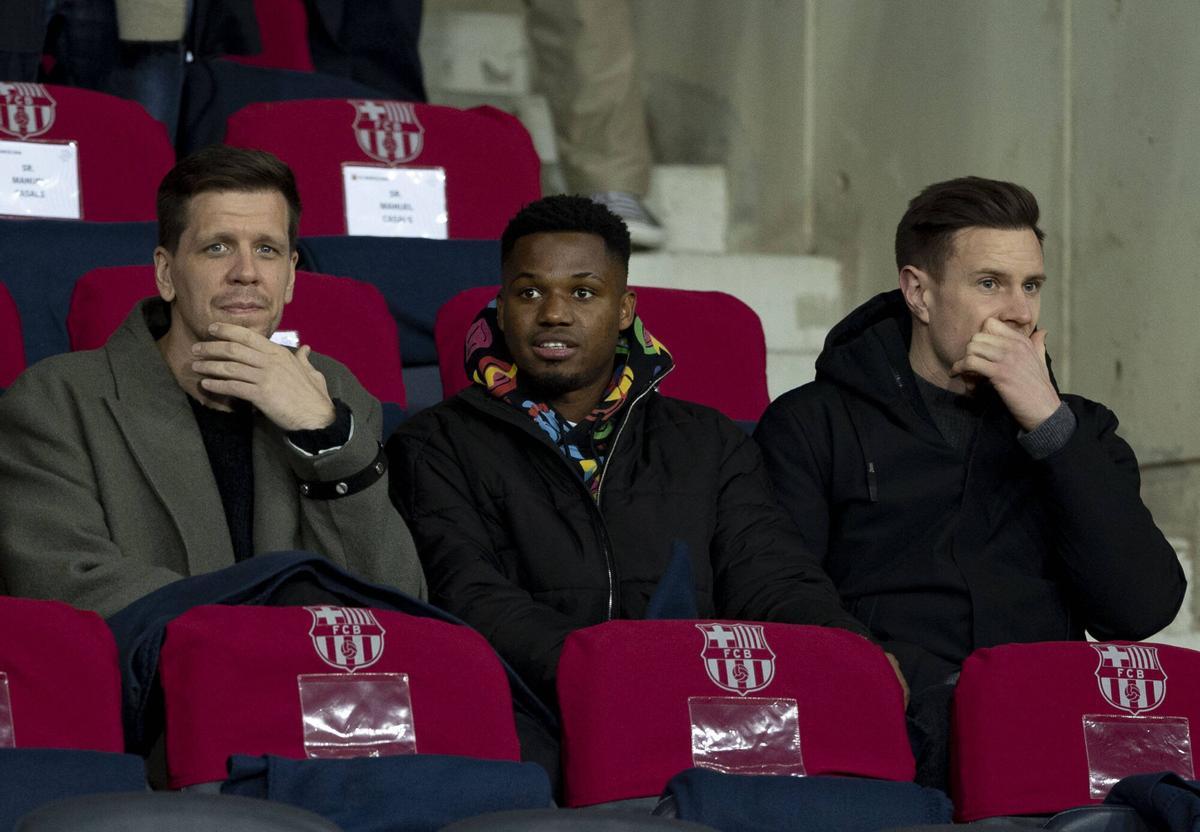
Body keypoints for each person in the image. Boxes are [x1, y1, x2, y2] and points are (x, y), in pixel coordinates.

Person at [387, 194, 898, 705]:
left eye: (584, 293)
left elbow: (771, 578)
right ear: (502, 310)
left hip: (699, 712)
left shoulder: (709, 442)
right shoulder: (435, 445)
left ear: (623, 308)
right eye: (529, 293)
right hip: (530, 713)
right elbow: (470, 598)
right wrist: (615, 675)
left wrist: (849, 646)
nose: (555, 313)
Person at [753, 177, 1185, 770]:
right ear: (919, 294)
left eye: (1031, 286)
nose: (1018, 310)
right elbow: (779, 592)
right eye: (989, 284)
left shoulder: (1080, 433)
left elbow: (1141, 610)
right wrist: (873, 673)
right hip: (891, 728)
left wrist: (1049, 428)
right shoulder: (812, 424)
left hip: (1043, 728)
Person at [0, 145, 424, 616]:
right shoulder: (56, 400)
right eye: (216, 247)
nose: (246, 273)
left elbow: (398, 604)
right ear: (166, 273)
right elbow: (66, 586)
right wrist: (263, 620)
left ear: (289, 278)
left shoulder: (334, 393)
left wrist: (324, 437)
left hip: (316, 686)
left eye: (267, 249)